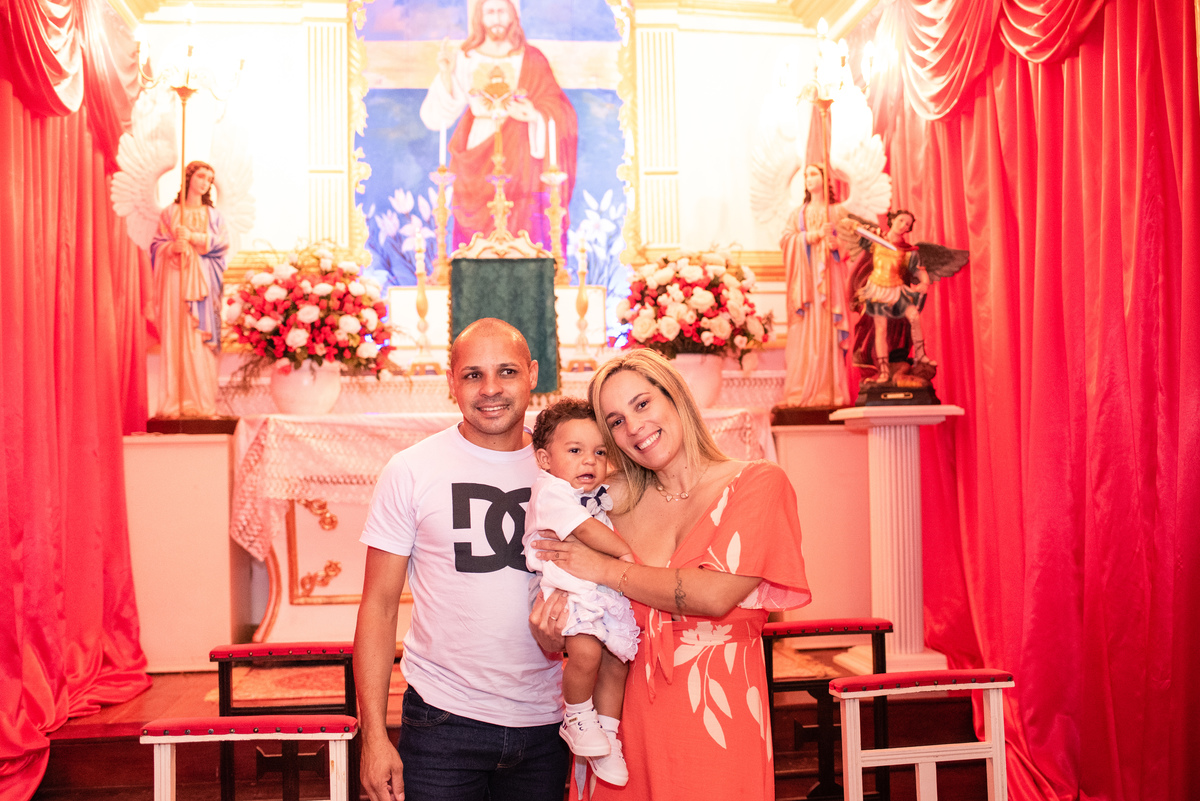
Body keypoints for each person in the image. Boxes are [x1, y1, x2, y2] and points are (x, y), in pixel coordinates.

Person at [531, 349, 811, 801]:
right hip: (618, 722)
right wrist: (549, 629)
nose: (634, 427)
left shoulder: (756, 483)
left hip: (715, 714)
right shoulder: (605, 498)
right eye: (616, 421)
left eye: (642, 404)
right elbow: (560, 575)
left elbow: (715, 594)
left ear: (675, 395)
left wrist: (606, 568)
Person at [354, 318, 569, 801]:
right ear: (451, 381)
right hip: (443, 722)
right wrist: (374, 737)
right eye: (473, 375)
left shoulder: (567, 465)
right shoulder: (412, 470)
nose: (490, 389)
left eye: (507, 371)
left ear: (533, 374)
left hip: (548, 721)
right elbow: (379, 606)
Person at [523, 398, 640, 787]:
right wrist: (624, 553)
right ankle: (576, 716)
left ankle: (607, 736)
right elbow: (585, 530)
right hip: (570, 592)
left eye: (600, 452)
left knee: (616, 662)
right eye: (575, 451)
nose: (590, 460)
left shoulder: (592, 490)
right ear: (544, 459)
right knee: (586, 654)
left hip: (600, 592)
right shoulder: (551, 491)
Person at [419, 0, 577, 252]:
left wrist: (535, 115)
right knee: (475, 233)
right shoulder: (465, 58)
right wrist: (446, 74)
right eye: (490, 12)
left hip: (522, 152)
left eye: (502, 11)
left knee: (523, 223)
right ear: (479, 17)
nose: (496, 19)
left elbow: (559, 109)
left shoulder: (531, 58)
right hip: (477, 152)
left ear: (513, 14)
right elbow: (437, 117)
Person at [148, 160, 229, 417]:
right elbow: (156, 247)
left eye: (209, 179)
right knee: (177, 336)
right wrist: (171, 248)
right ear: (189, 178)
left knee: (199, 339)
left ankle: (202, 403)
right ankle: (175, 403)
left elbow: (222, 244)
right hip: (176, 280)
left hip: (204, 283)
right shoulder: (170, 213)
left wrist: (194, 238)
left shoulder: (213, 216)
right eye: (201, 176)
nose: (205, 183)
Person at [780, 164, 851, 408]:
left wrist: (837, 245)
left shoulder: (837, 212)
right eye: (806, 175)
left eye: (813, 174)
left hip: (829, 282)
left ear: (825, 178)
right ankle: (802, 390)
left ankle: (830, 392)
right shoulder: (797, 214)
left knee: (827, 332)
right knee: (804, 333)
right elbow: (787, 240)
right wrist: (813, 235)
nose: (808, 178)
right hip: (806, 283)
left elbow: (850, 245)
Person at [850, 209, 934, 383]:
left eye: (907, 224)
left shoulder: (908, 251)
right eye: (901, 220)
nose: (903, 225)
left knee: (914, 317)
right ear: (893, 220)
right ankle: (883, 371)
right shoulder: (876, 241)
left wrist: (924, 283)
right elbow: (854, 232)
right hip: (877, 290)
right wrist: (854, 226)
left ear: (909, 229)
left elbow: (918, 271)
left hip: (897, 290)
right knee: (880, 329)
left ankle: (921, 355)